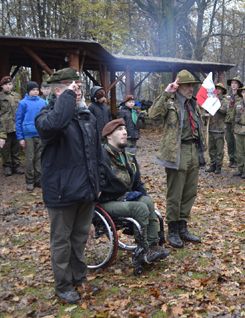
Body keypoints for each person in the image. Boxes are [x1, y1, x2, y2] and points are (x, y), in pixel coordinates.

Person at [35, 68, 105, 304]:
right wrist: (66, 99)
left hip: (85, 191)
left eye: (79, 86)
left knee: (79, 239)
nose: (78, 90)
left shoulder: (86, 117)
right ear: (57, 90)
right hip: (62, 192)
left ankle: (79, 279)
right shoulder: (45, 116)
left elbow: (96, 155)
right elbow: (55, 124)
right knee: (62, 243)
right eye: (71, 86)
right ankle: (63, 285)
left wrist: (98, 183)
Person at [98, 118, 170, 263]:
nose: (124, 132)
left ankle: (152, 246)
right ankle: (142, 250)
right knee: (140, 208)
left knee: (147, 202)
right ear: (108, 136)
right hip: (105, 202)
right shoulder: (101, 156)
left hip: (124, 198)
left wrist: (146, 197)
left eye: (125, 129)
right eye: (119, 130)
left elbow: (138, 183)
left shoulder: (128, 156)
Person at [149, 70, 205, 249]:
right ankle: (172, 229)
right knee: (176, 193)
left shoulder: (194, 104)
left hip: (192, 149)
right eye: (188, 85)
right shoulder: (170, 102)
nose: (191, 89)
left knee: (190, 191)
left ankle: (182, 227)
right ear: (178, 86)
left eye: (193, 86)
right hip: (176, 150)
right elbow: (153, 115)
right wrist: (167, 92)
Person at [15, 81, 46, 191]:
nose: (35, 92)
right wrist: (20, 137)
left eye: (37, 90)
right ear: (28, 91)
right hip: (28, 135)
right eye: (33, 90)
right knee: (29, 158)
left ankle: (39, 180)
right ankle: (29, 181)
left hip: (40, 134)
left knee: (39, 158)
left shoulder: (43, 102)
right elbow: (18, 120)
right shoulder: (23, 103)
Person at [0, 76, 23, 176]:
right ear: (2, 86)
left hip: (16, 126)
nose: (8, 86)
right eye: (5, 84)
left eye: (9, 84)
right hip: (4, 127)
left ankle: (16, 166)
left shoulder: (17, 96)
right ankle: (6, 167)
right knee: (5, 149)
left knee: (16, 148)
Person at [205, 83, 228, 175]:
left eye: (219, 89)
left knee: (219, 149)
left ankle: (218, 166)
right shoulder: (211, 99)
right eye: (216, 88)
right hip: (210, 127)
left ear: (222, 90)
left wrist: (215, 105)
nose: (217, 90)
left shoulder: (224, 100)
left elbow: (224, 110)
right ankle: (212, 165)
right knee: (211, 149)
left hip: (219, 128)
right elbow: (206, 110)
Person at [224, 77, 243, 168]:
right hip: (228, 122)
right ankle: (231, 159)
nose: (233, 85)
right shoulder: (227, 96)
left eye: (235, 83)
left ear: (238, 85)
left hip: (236, 122)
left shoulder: (241, 97)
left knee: (236, 142)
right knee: (229, 141)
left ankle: (236, 160)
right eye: (232, 83)